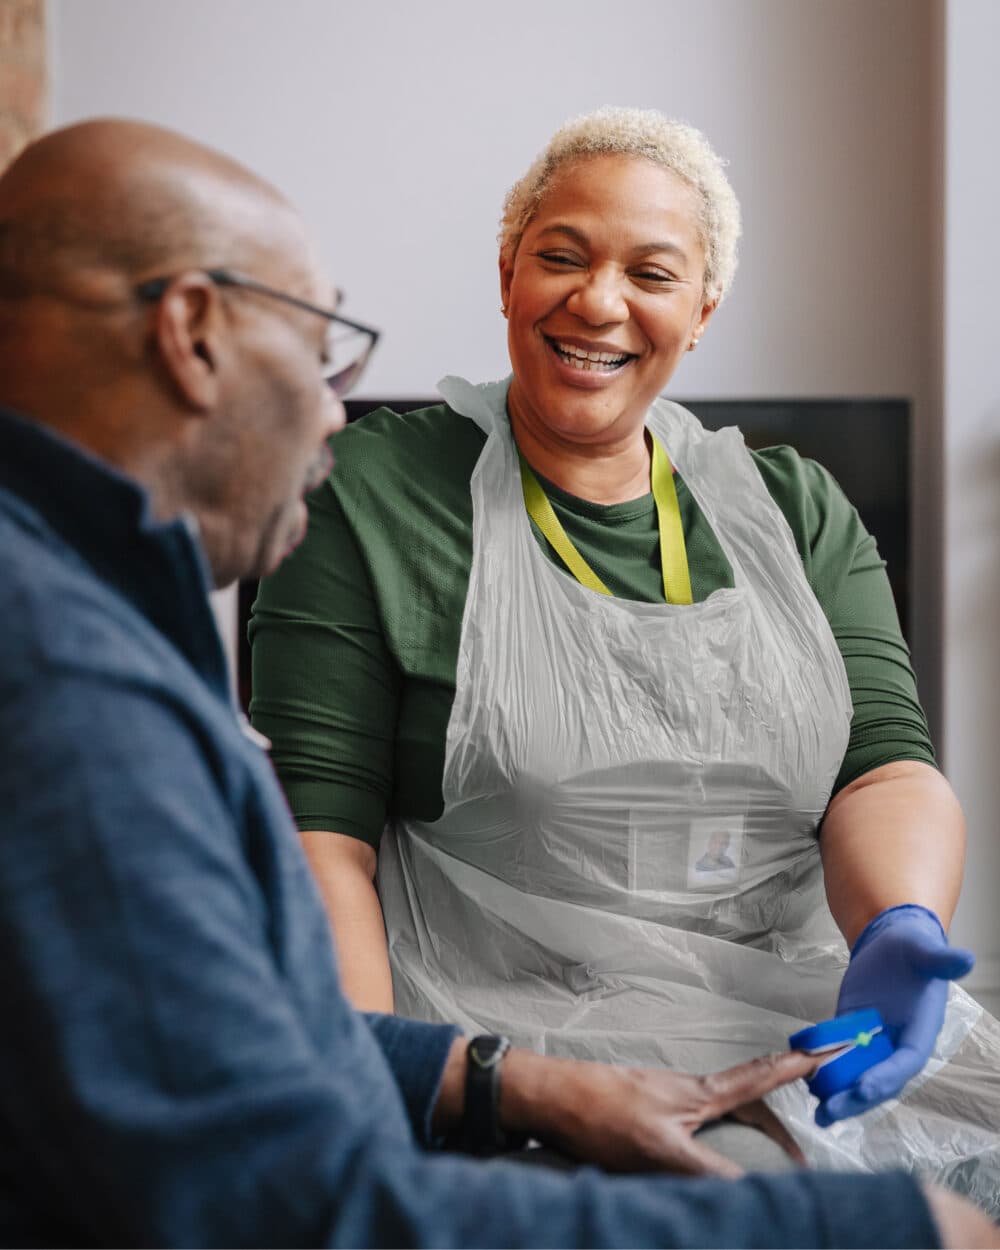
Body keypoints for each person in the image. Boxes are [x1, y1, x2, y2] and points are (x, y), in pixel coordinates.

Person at [2, 117, 990, 1249]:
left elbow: (212, 1049)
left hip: (756, 1021)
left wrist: (503, 1083)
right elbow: (273, 1182)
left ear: (702, 307)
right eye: (323, 350)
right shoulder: (76, 688)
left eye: (652, 272)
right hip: (499, 1012)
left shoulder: (96, 624)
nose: (334, 411)